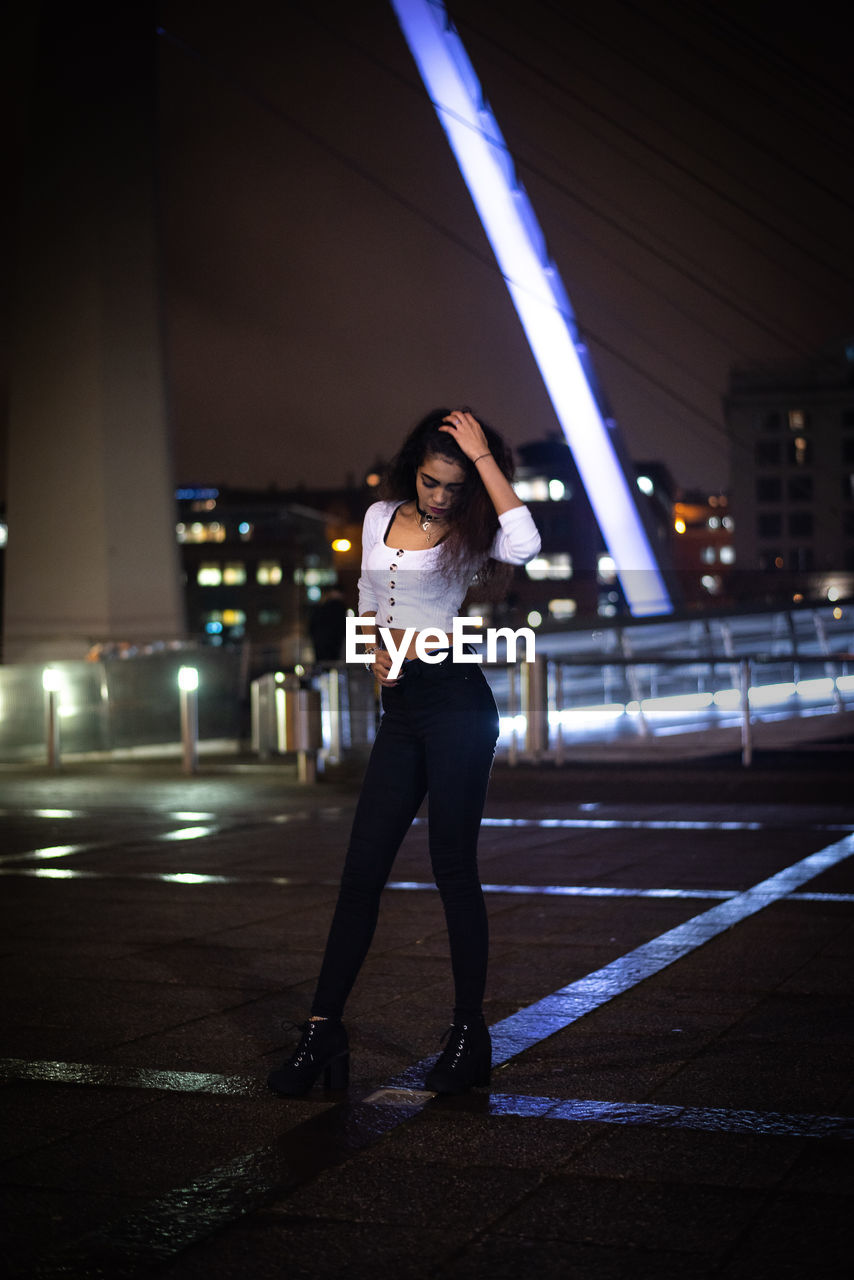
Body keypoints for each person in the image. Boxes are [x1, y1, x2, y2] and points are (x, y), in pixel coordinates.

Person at [267, 408, 541, 1096]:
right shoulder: (378, 515)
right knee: (361, 874)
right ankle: (322, 1031)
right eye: (430, 481)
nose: (439, 496)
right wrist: (372, 651)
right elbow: (366, 594)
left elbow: (528, 542)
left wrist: (484, 460)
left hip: (457, 706)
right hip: (403, 711)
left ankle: (468, 1035)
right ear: (410, 470)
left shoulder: (475, 528)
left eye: (453, 485)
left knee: (453, 868)